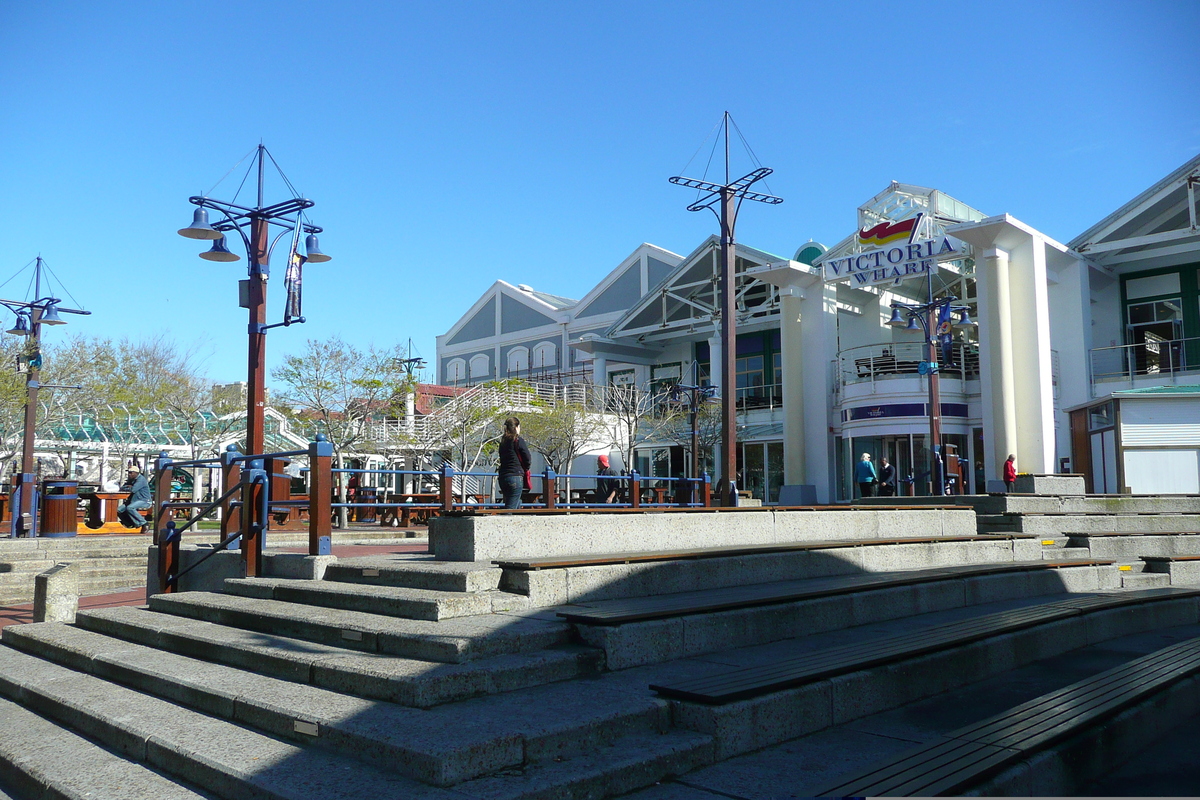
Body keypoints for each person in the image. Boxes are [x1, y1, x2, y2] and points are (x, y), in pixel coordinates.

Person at [497, 416, 531, 510]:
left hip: (503, 476)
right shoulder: (518, 440)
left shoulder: (503, 442)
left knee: (515, 503)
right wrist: (526, 467)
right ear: (516, 427)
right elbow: (527, 457)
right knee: (510, 508)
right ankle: (503, 524)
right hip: (515, 475)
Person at [117, 465, 151, 529]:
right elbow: (122, 488)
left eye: (131, 472)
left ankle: (144, 523)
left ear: (136, 473)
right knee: (119, 510)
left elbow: (133, 490)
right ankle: (129, 523)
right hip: (133, 500)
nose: (129, 474)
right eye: (128, 473)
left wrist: (129, 487)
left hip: (144, 501)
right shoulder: (131, 480)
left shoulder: (141, 479)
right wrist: (128, 487)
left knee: (130, 508)